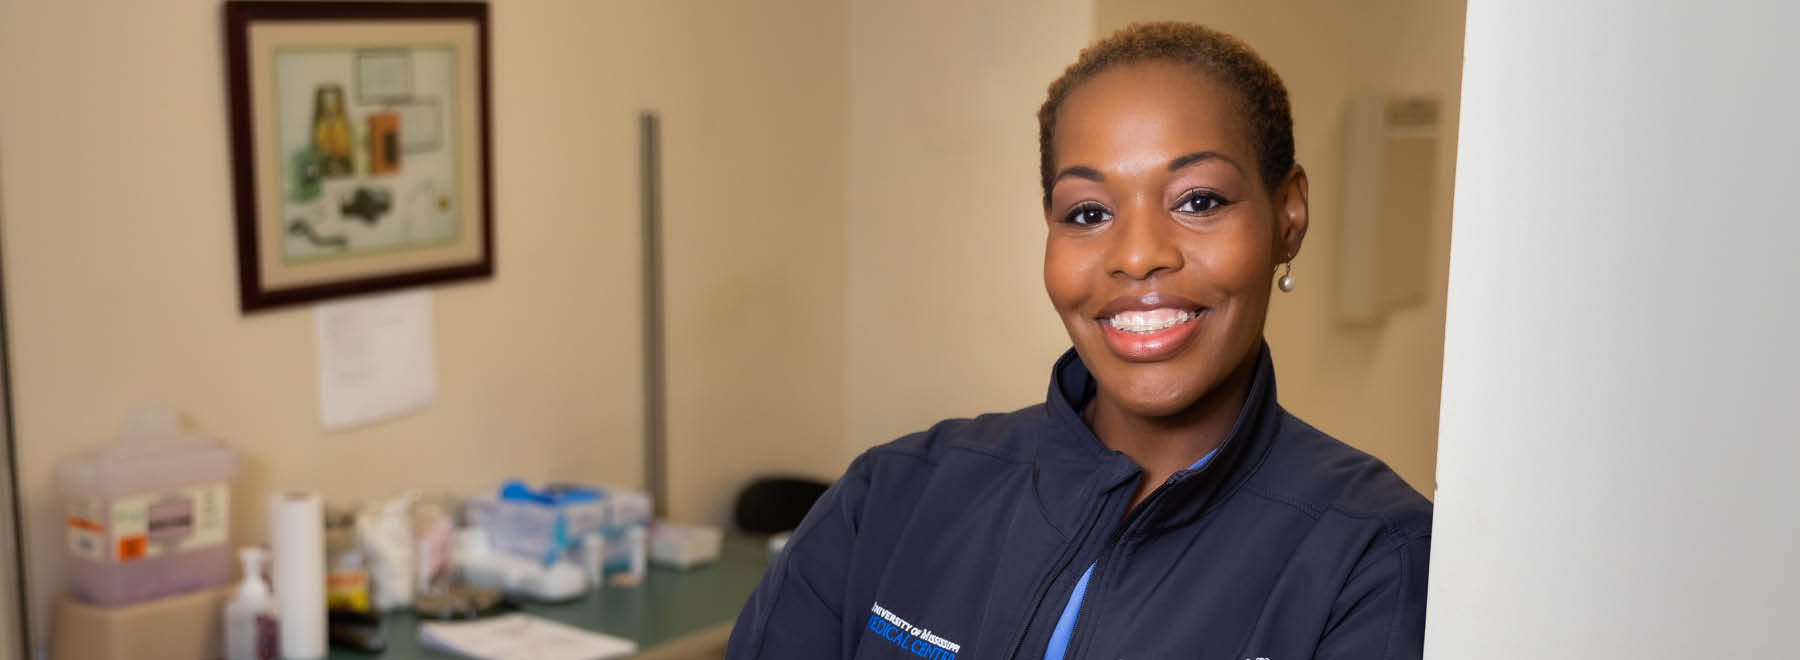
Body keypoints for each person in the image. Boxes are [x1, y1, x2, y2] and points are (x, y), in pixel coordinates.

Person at [727, 21, 1431, 660]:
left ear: (1288, 215)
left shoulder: (1375, 557)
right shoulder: (892, 496)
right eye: (1088, 212)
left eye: (1198, 200)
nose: (1136, 255)